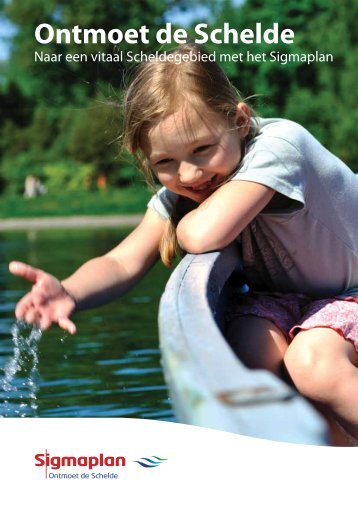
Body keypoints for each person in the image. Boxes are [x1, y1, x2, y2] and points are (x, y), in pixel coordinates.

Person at [9, 44, 358, 444]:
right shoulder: (188, 188)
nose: (189, 173)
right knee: (246, 354)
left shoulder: (280, 147)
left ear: (240, 121)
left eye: (202, 149)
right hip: (287, 300)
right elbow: (123, 262)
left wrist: (178, 218)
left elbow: (199, 235)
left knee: (312, 363)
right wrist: (69, 291)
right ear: (144, 157)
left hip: (350, 292)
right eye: (164, 162)